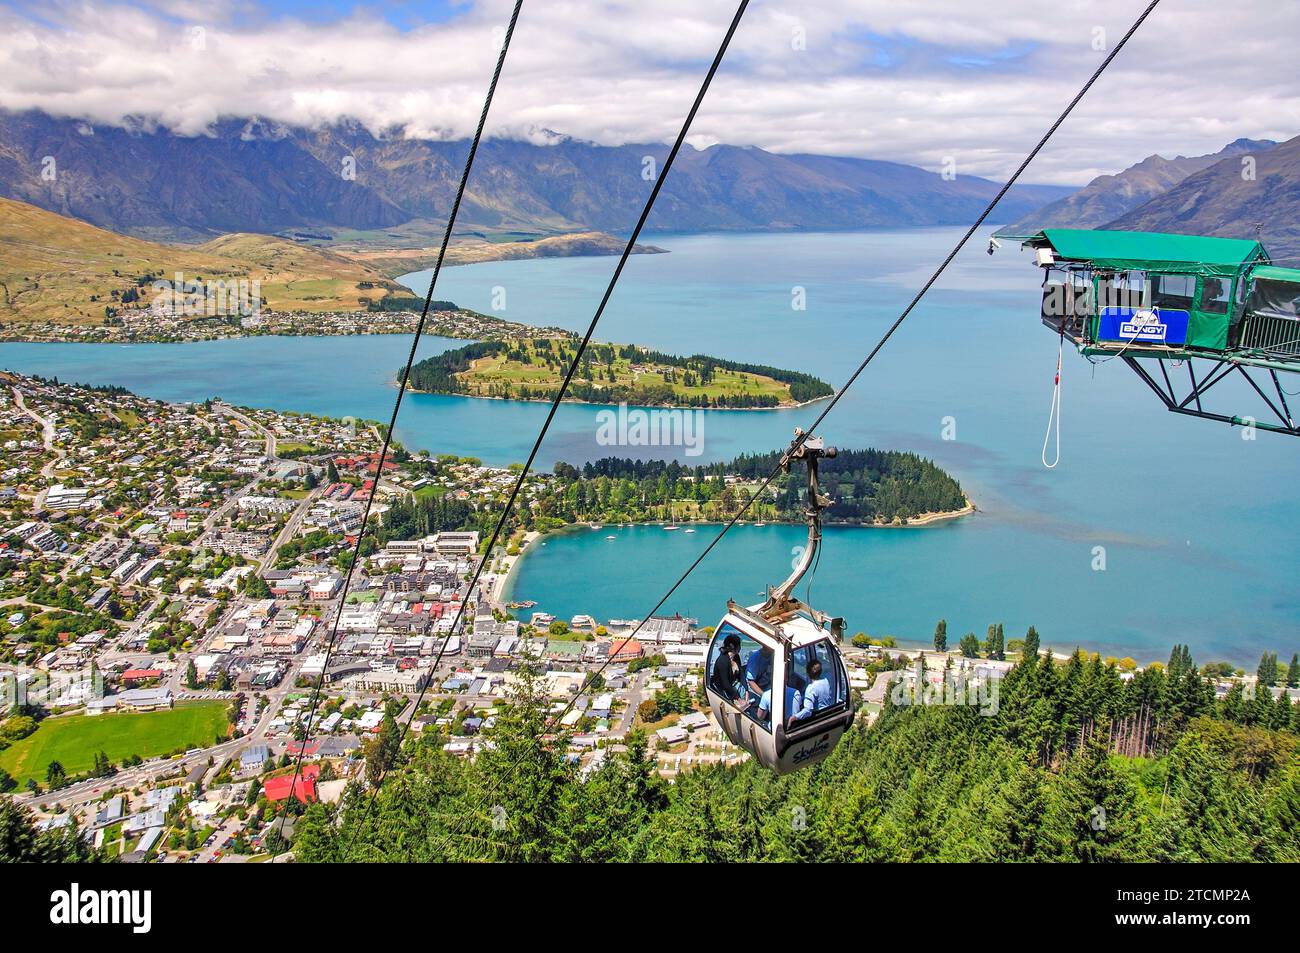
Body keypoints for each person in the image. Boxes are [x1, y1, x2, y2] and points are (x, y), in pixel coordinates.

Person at [710, 633, 749, 710]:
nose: (740, 647)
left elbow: (741, 674)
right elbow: (725, 684)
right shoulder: (722, 661)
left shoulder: (736, 657)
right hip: (726, 692)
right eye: (739, 645)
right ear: (733, 646)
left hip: (736, 688)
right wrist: (739, 699)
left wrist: (746, 690)